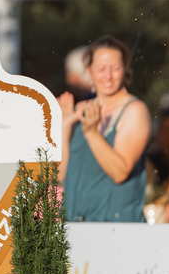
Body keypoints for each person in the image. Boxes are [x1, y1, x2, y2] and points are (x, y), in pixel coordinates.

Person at [59, 35, 151, 222]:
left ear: (125, 69)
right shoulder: (80, 111)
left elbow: (120, 172)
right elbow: (60, 175)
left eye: (115, 68)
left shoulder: (134, 110)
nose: (108, 76)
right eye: (101, 69)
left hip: (117, 227)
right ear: (89, 70)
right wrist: (64, 127)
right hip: (75, 224)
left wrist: (92, 134)